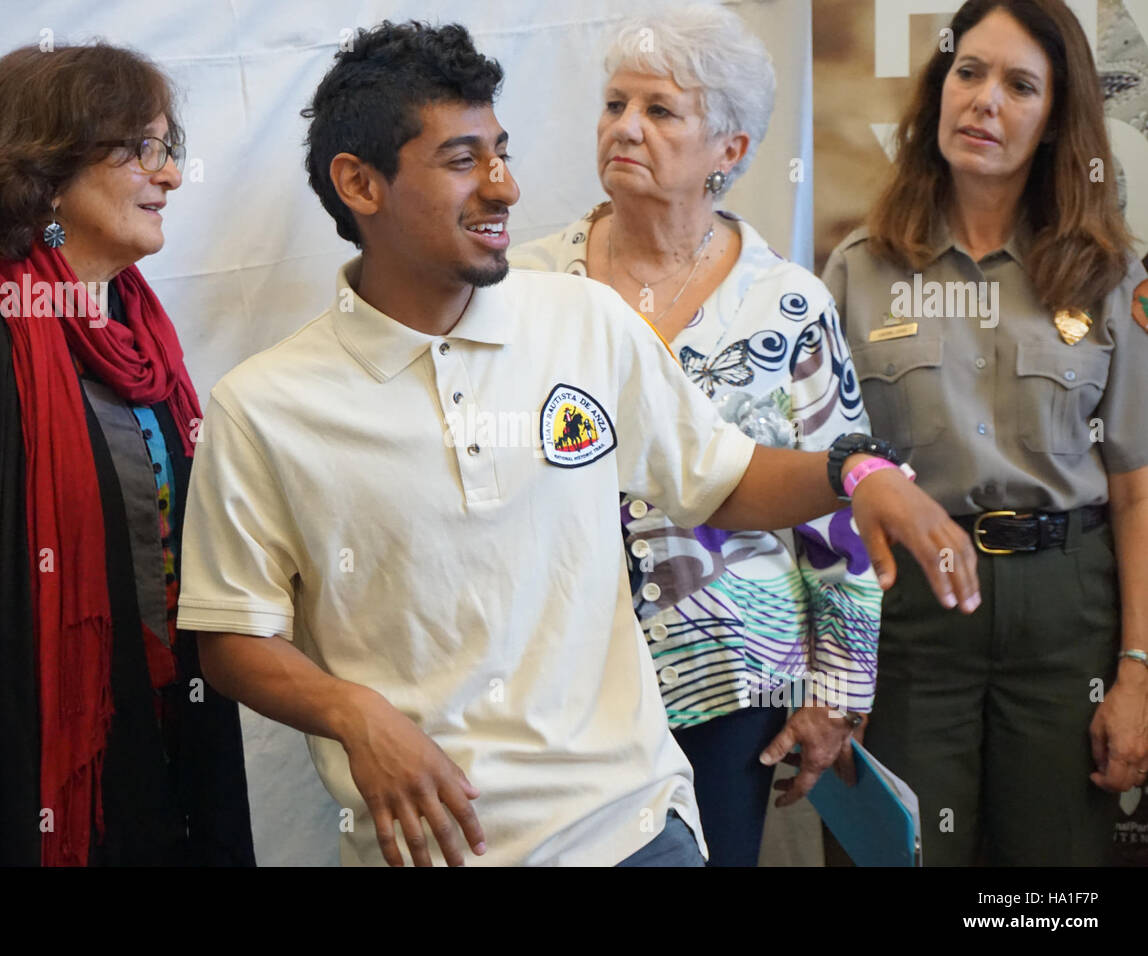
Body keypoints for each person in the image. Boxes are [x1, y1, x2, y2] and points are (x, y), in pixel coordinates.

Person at [177, 20, 979, 868]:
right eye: (462, 161)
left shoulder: (586, 320)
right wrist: (350, 713)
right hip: (435, 848)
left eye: (502, 152)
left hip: (634, 828)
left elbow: (722, 478)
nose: (505, 186)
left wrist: (858, 471)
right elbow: (231, 638)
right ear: (359, 184)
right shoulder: (262, 408)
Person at [0, 43, 254, 866]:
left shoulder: (149, 352)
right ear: (45, 169)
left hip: (171, 751)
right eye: (141, 148)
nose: (170, 176)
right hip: (11, 780)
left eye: (167, 150)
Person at [509, 5, 880, 866]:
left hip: (731, 680)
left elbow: (840, 507)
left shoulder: (788, 303)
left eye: (660, 111)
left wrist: (834, 693)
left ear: (733, 150)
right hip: (557, 677)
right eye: (613, 105)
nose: (624, 128)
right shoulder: (526, 285)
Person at [823, 0, 1148, 865]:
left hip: (1065, 612)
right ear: (939, 89)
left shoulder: (1110, 272)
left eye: (1019, 85)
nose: (984, 101)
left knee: (1049, 888)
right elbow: (824, 480)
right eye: (968, 73)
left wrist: (1137, 669)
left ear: (1054, 121)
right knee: (899, 852)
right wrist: (830, 667)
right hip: (908, 616)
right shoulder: (860, 270)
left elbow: (1136, 488)